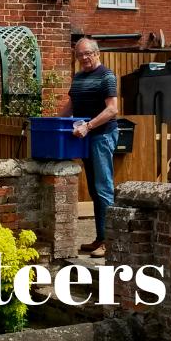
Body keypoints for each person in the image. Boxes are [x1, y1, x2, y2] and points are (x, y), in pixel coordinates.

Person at [60, 38, 118, 258]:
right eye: (79, 55)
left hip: (101, 136)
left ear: (97, 53)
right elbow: (72, 105)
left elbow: (112, 110)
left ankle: (109, 242)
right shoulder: (78, 78)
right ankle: (100, 238)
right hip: (86, 137)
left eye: (87, 54)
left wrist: (89, 126)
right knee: (94, 190)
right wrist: (53, 123)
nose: (83, 58)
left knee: (104, 189)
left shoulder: (106, 76)